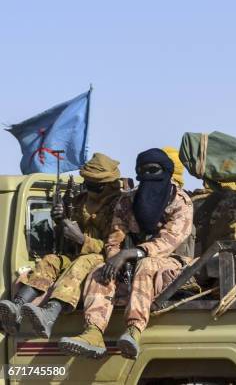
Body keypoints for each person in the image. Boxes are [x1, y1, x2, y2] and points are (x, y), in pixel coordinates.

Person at [59, 148, 193, 359]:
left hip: (171, 266)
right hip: (130, 264)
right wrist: (116, 258)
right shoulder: (128, 201)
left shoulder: (180, 202)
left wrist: (132, 254)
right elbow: (115, 237)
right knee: (101, 268)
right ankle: (93, 332)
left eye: (154, 170)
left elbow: (167, 242)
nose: (149, 176)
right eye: (143, 171)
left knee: (146, 265)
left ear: (166, 172)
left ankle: (133, 330)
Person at [0, 153, 122, 338]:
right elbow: (66, 239)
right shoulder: (81, 201)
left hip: (105, 262)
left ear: (106, 184)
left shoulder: (120, 206)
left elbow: (115, 246)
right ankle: (17, 305)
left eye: (93, 184)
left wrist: (82, 240)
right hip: (77, 255)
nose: (88, 188)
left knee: (83, 262)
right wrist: (61, 221)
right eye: (87, 182)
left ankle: (51, 312)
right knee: (51, 260)